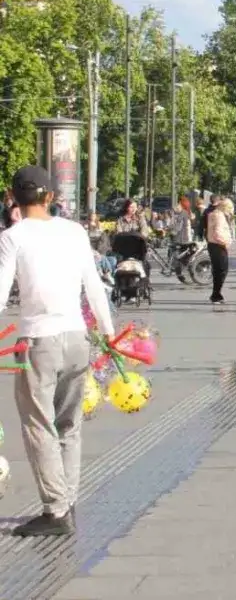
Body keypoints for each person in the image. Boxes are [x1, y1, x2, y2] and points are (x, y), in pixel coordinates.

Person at [0, 166, 114, 536]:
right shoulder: (74, 231)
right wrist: (108, 331)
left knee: (39, 425)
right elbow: (93, 284)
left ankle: (56, 510)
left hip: (39, 341)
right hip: (77, 337)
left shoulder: (12, 237)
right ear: (50, 196)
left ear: (13, 198)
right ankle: (68, 500)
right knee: (68, 424)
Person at [206, 197, 235, 304]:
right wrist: (226, 242)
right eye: (230, 208)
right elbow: (217, 232)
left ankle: (216, 294)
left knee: (218, 270)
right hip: (219, 245)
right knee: (222, 270)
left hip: (213, 244)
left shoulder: (214, 214)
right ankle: (216, 294)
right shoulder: (219, 216)